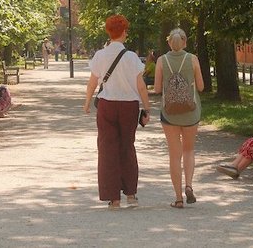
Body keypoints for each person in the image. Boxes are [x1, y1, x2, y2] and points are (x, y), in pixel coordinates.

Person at [83, 14, 151, 209]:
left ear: (108, 32)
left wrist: (87, 102)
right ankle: (131, 194)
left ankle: (113, 198)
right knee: (127, 147)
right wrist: (147, 108)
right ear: (124, 32)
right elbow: (141, 86)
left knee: (107, 149)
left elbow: (92, 82)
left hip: (107, 105)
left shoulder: (100, 55)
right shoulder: (131, 57)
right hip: (129, 106)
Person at [153, 29, 204, 208]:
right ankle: (189, 185)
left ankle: (178, 198)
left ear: (169, 43)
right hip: (191, 112)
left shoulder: (161, 61)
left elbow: (157, 89)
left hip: (169, 113)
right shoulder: (193, 59)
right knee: (189, 150)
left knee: (175, 155)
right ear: (184, 42)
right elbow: (201, 86)